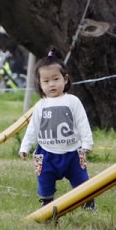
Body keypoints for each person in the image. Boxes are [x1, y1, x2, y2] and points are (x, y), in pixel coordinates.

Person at [19, 47, 95, 209]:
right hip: (46, 153)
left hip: (72, 153)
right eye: (46, 81)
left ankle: (87, 202)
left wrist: (87, 143)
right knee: (45, 180)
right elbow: (33, 128)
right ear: (40, 84)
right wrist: (25, 147)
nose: (51, 84)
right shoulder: (40, 106)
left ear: (65, 79)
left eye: (55, 79)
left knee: (81, 180)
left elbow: (82, 122)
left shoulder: (72, 101)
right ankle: (47, 204)